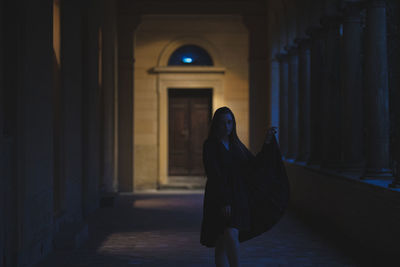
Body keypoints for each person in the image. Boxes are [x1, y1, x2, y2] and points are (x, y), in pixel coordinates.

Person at [200, 106, 290, 267]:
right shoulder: (210, 145)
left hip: (238, 196)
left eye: (229, 122)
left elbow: (253, 166)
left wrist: (267, 142)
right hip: (219, 197)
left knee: (225, 237)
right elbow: (214, 175)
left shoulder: (237, 145)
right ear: (216, 125)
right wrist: (224, 201)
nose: (226, 126)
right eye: (222, 123)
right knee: (226, 236)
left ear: (233, 124)